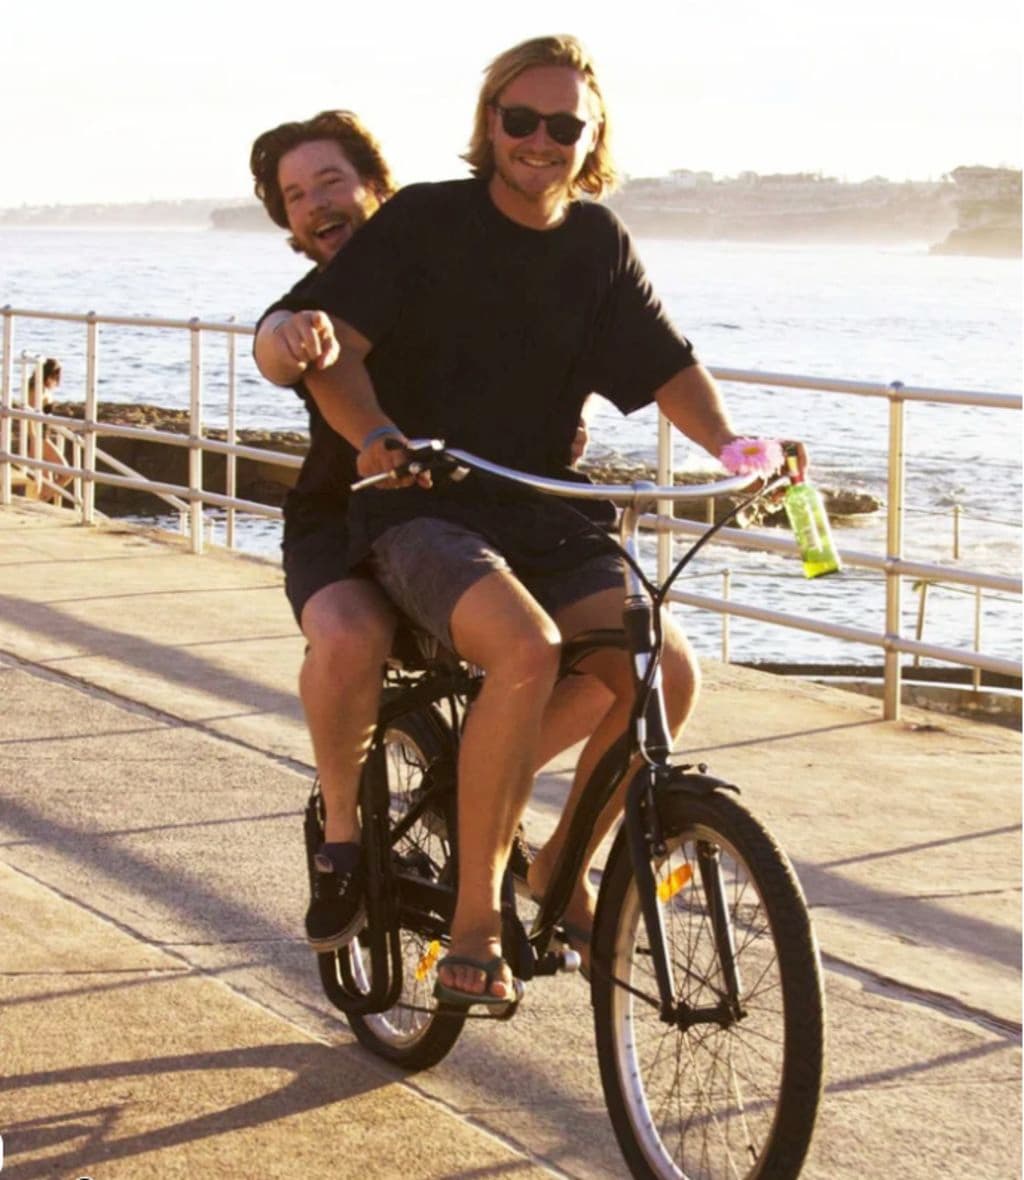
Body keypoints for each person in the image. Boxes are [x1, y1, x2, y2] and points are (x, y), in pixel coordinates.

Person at [283, 34, 806, 1005]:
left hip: (543, 510)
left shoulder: (596, 241)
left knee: (660, 668)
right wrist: (377, 438)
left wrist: (737, 450)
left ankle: (557, 865)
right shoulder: (427, 221)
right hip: (424, 508)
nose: (538, 139)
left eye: (562, 124)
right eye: (518, 119)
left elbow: (664, 367)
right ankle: (475, 929)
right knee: (522, 648)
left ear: (591, 135)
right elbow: (332, 351)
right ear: (489, 124)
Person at [249, 110, 610, 955]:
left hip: (467, 516)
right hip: (345, 518)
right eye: (296, 197)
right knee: (349, 632)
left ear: (377, 186)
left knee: (608, 656)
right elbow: (273, 345)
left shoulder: (441, 261)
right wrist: (282, 337)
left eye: (330, 182)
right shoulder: (317, 302)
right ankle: (343, 838)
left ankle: (479, 784)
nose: (315, 205)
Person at [25, 357, 72, 504]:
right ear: (50, 374)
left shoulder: (40, 388)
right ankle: (41, 500)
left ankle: (40, 501)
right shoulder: (37, 390)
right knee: (66, 473)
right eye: (56, 375)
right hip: (38, 438)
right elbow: (29, 415)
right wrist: (33, 440)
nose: (57, 379)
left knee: (47, 480)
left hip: (42, 436)